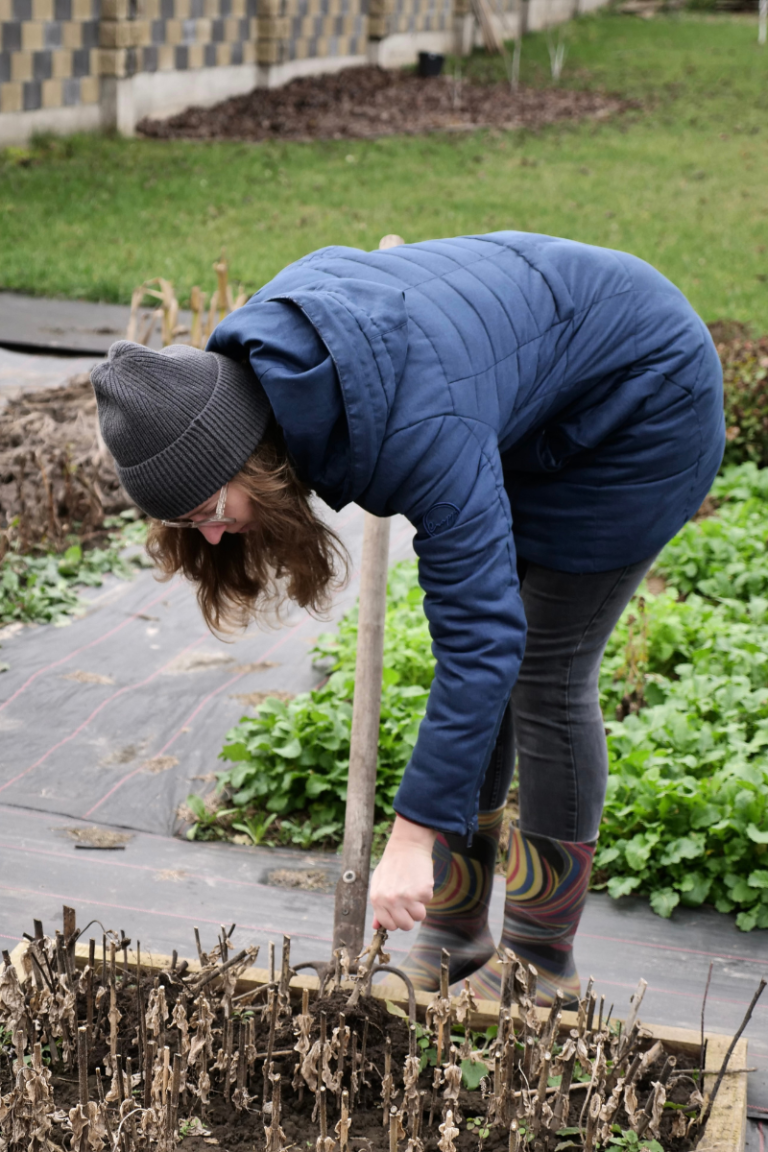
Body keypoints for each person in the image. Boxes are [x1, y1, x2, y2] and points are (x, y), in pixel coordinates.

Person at [91, 231, 724, 1007]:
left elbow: (484, 641)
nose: (214, 536)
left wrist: (409, 840)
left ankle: (537, 963)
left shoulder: (414, 425)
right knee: (488, 652)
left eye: (209, 510)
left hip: (644, 398)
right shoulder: (265, 369)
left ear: (245, 458)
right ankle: (455, 930)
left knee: (543, 667)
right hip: (525, 398)